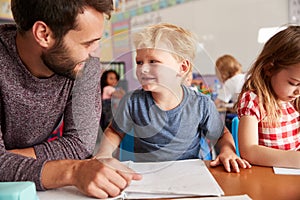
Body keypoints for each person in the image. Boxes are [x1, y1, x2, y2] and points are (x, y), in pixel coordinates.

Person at [0, 0, 141, 199]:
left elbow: (80, 144)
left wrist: (6, 160)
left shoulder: (85, 66)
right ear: (43, 34)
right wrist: (72, 170)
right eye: (87, 43)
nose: (95, 52)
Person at [96, 23, 251, 172]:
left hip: (189, 176)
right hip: (146, 178)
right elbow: (114, 132)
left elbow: (222, 135)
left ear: (182, 68)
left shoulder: (201, 104)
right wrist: (103, 154)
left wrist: (227, 151)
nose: (143, 69)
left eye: (153, 62)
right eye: (139, 62)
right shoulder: (132, 102)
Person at [236, 25, 300, 168]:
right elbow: (249, 151)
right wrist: (296, 159)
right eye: (294, 83)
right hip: (266, 177)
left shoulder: (295, 102)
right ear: (270, 69)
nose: (298, 92)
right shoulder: (254, 100)